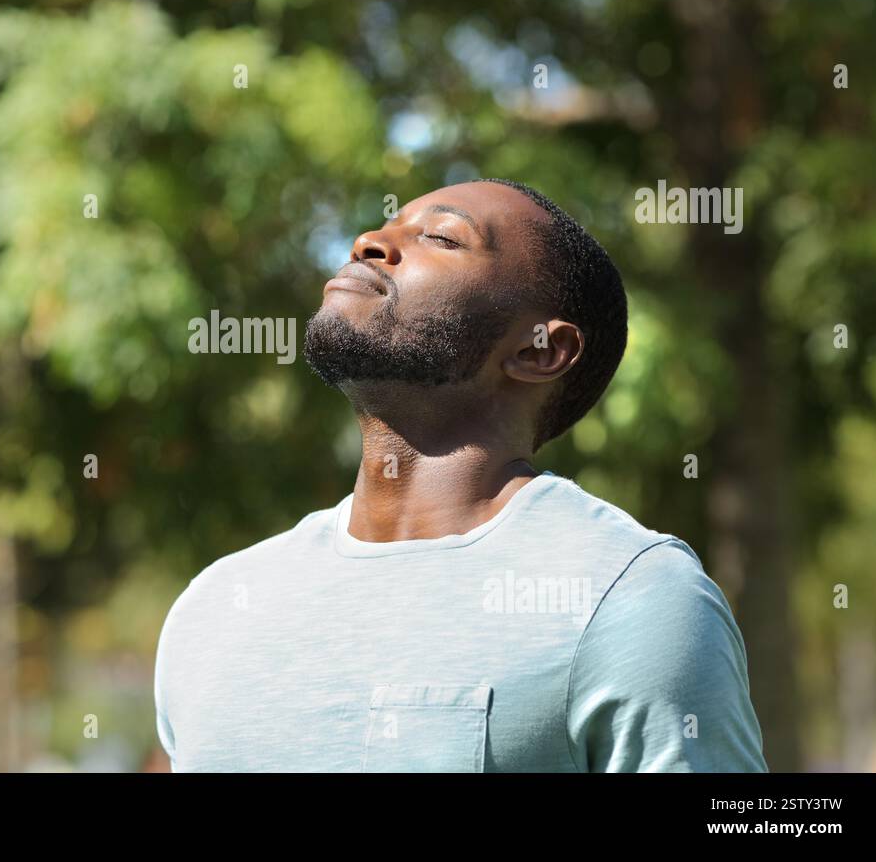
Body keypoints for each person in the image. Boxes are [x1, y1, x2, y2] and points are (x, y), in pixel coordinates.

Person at [154, 179, 767, 772]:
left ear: (538, 350)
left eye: (443, 239)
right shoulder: (214, 608)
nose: (369, 241)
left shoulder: (631, 597)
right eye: (384, 226)